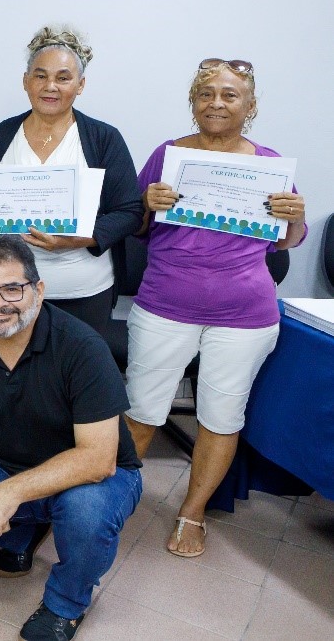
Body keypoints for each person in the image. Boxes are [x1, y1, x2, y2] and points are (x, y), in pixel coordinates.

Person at [123, 58, 305, 559]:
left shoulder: (270, 165)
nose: (216, 103)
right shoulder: (168, 155)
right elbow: (134, 227)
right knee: (140, 410)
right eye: (206, 94)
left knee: (222, 416)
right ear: (193, 102)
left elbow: (286, 240)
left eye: (229, 94)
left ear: (250, 105)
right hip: (165, 305)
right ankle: (111, 501)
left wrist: (295, 216)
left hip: (245, 316)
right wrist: (147, 204)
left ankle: (193, 511)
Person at [0, 237, 141, 641]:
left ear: (38, 290)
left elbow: (99, 459)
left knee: (85, 514)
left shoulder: (83, 348)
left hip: (93, 474)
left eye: (12, 289)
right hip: (7, 463)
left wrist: (8, 493)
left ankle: (66, 604)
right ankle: (24, 534)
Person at [0, 27, 142, 336]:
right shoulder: (1, 135)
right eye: (40, 76)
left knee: (79, 367)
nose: (50, 86)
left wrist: (79, 239)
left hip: (84, 292)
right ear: (26, 81)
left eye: (63, 78)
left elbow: (130, 212)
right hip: (8, 293)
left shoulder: (103, 138)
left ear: (80, 85)